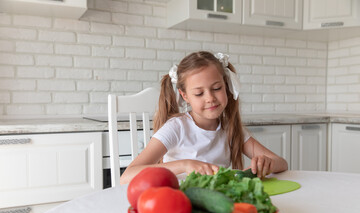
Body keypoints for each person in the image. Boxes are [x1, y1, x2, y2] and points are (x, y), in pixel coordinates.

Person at [120, 51, 288, 184]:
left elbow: (281, 163)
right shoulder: (176, 128)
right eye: (199, 93)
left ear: (226, 85)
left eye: (216, 88)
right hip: (178, 201)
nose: (210, 98)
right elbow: (127, 176)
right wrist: (185, 165)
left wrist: (267, 163)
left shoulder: (230, 128)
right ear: (185, 96)